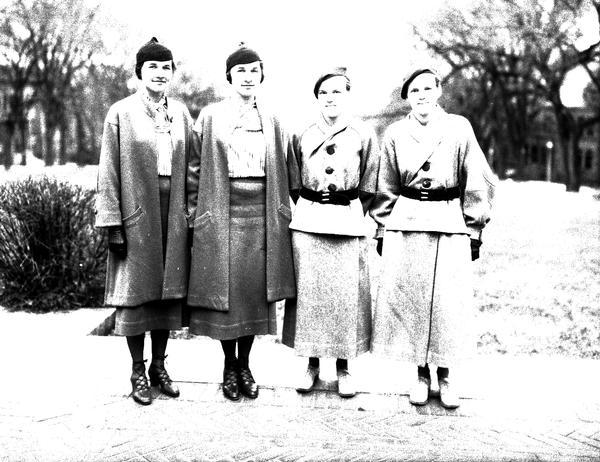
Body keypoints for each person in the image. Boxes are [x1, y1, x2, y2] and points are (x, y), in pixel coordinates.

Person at [371, 67, 497, 409]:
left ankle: (445, 376)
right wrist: (382, 228)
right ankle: (421, 375)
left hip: (448, 218)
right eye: (415, 91)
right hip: (408, 220)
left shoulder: (459, 127)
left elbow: (476, 179)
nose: (422, 95)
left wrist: (474, 229)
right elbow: (386, 185)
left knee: (446, 302)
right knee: (414, 301)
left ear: (439, 91)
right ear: (407, 97)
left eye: (428, 88)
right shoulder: (396, 133)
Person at [186, 43, 295, 402]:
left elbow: (289, 167)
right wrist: (193, 214)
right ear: (229, 77)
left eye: (254, 71)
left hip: (261, 215)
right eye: (241, 71)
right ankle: (228, 366)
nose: (247, 77)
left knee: (251, 295)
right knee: (227, 296)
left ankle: (245, 365)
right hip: (221, 212)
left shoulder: (273, 118)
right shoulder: (211, 116)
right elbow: (194, 168)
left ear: (261, 76)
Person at [96, 38, 193, 405]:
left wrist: (191, 214)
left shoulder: (182, 112)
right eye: (152, 67)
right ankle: (137, 370)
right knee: (137, 295)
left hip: (173, 212)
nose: (160, 73)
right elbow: (108, 171)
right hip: (137, 212)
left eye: (166, 67)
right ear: (140, 72)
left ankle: (159, 367)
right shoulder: (120, 113)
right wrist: (113, 224)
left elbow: (193, 168)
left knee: (167, 293)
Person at [282, 67, 379, 398]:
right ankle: (310, 365)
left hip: (347, 219)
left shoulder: (362, 134)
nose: (330, 98)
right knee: (310, 296)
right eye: (324, 93)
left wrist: (349, 209)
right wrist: (313, 204)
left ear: (348, 95)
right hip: (310, 219)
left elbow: (369, 184)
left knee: (344, 297)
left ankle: (342, 368)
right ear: (316, 98)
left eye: (337, 92)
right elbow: (293, 180)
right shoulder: (301, 132)